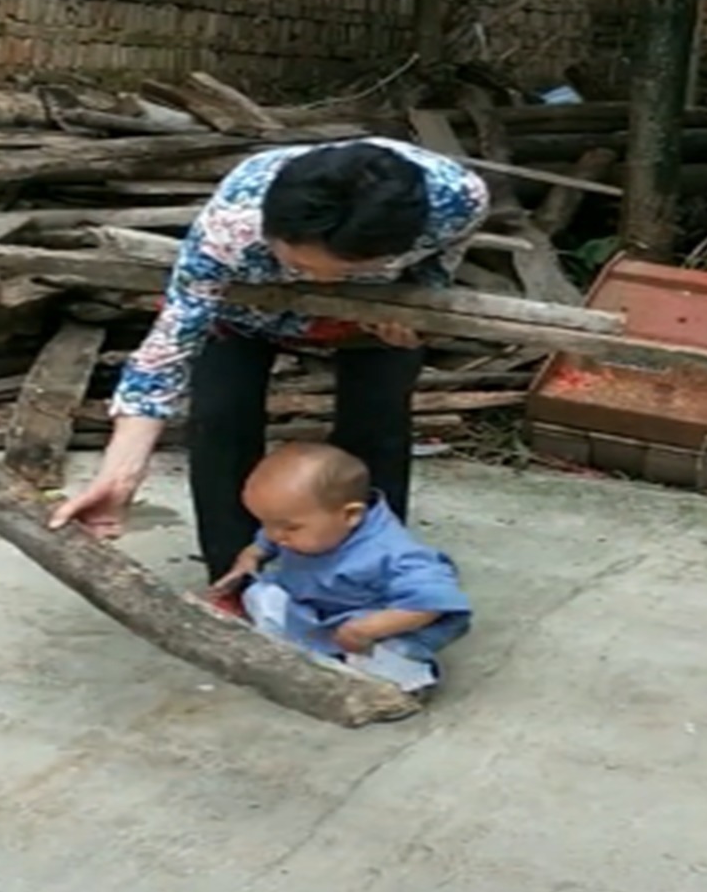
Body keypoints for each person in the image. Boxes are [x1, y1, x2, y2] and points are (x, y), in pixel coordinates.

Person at [50, 136, 489, 582]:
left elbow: (436, 270)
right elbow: (167, 349)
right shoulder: (232, 225)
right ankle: (233, 578)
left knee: (376, 426)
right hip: (242, 314)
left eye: (338, 270)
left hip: (373, 313)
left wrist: (415, 308)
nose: (317, 282)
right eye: (299, 263)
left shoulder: (456, 201)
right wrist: (120, 474)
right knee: (222, 419)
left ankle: (367, 574)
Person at [210, 442, 471, 692]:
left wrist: (367, 628)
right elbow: (266, 541)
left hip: (364, 628)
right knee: (260, 595)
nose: (275, 535)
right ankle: (298, 651)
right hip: (312, 611)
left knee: (392, 655)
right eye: (266, 522)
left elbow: (433, 601)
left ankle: (407, 683)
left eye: (289, 527)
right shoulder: (300, 525)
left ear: (350, 515)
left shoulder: (390, 552)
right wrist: (250, 558)